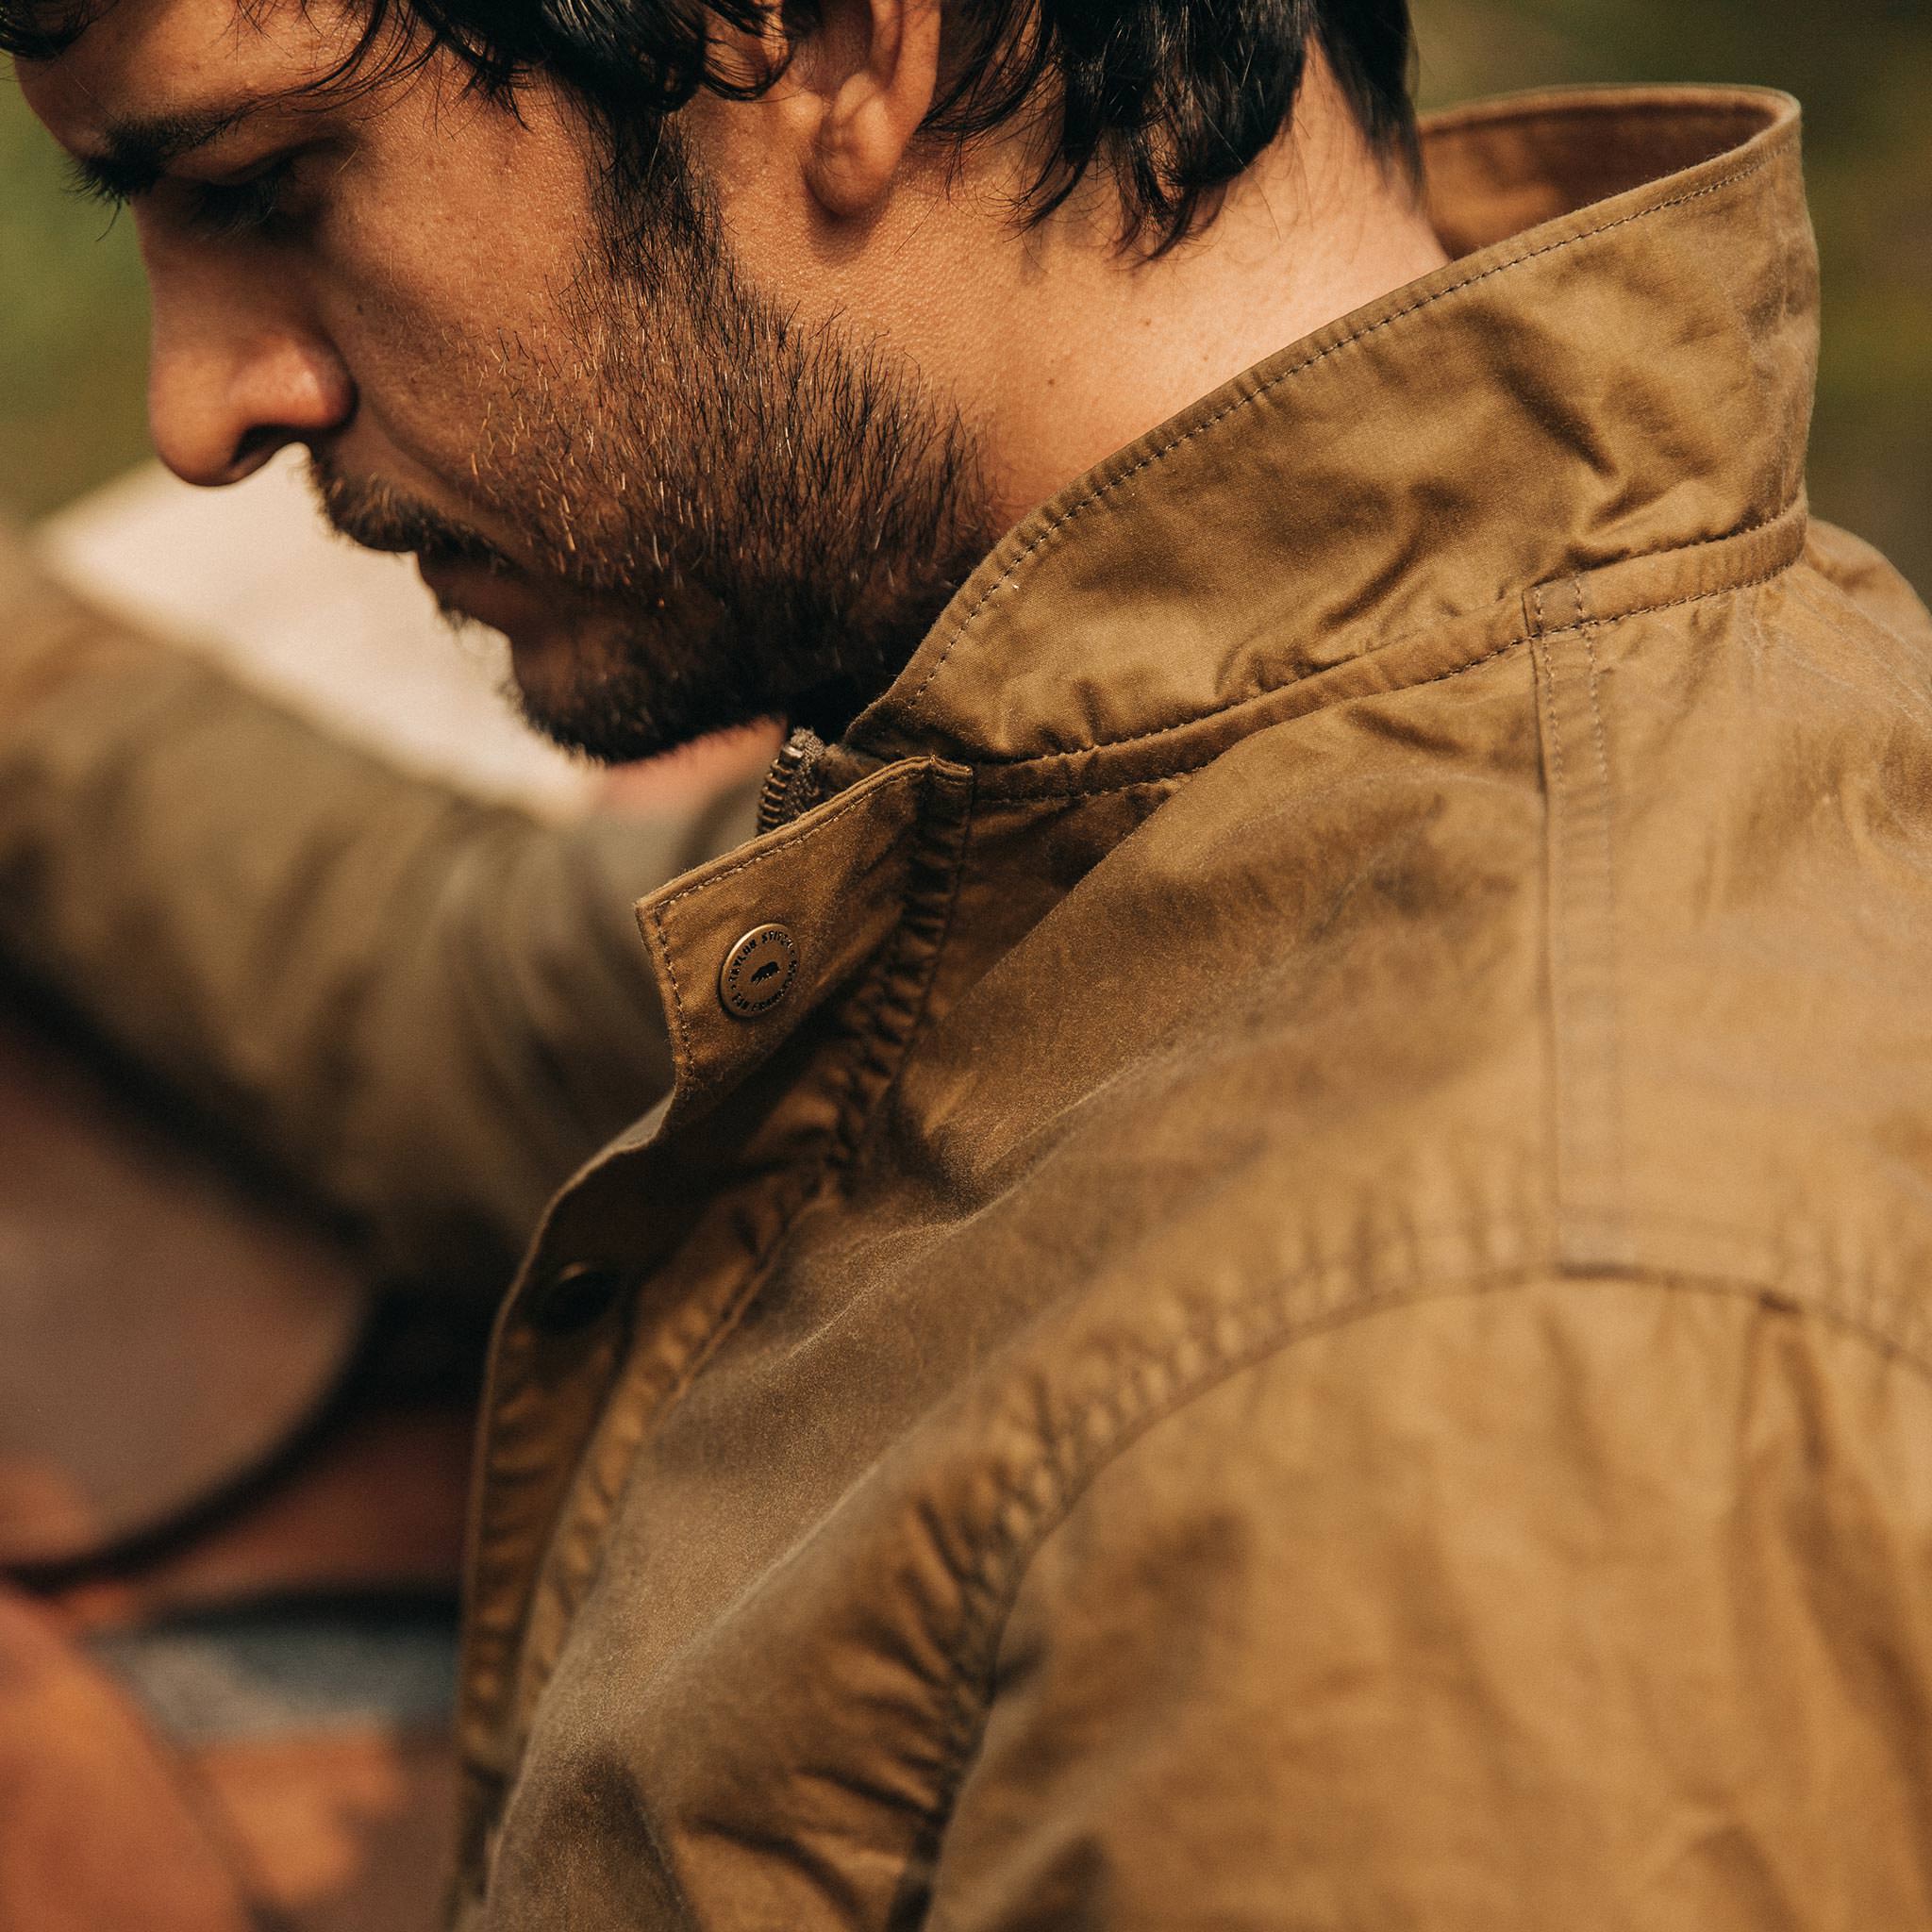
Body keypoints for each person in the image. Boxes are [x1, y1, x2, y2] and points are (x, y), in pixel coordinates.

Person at [6, 0, 1932, 1923]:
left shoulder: (1472, 1397)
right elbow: (465, 993)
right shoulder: (1092, 776)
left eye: (272, 187)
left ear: (843, 50)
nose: (204, 412)